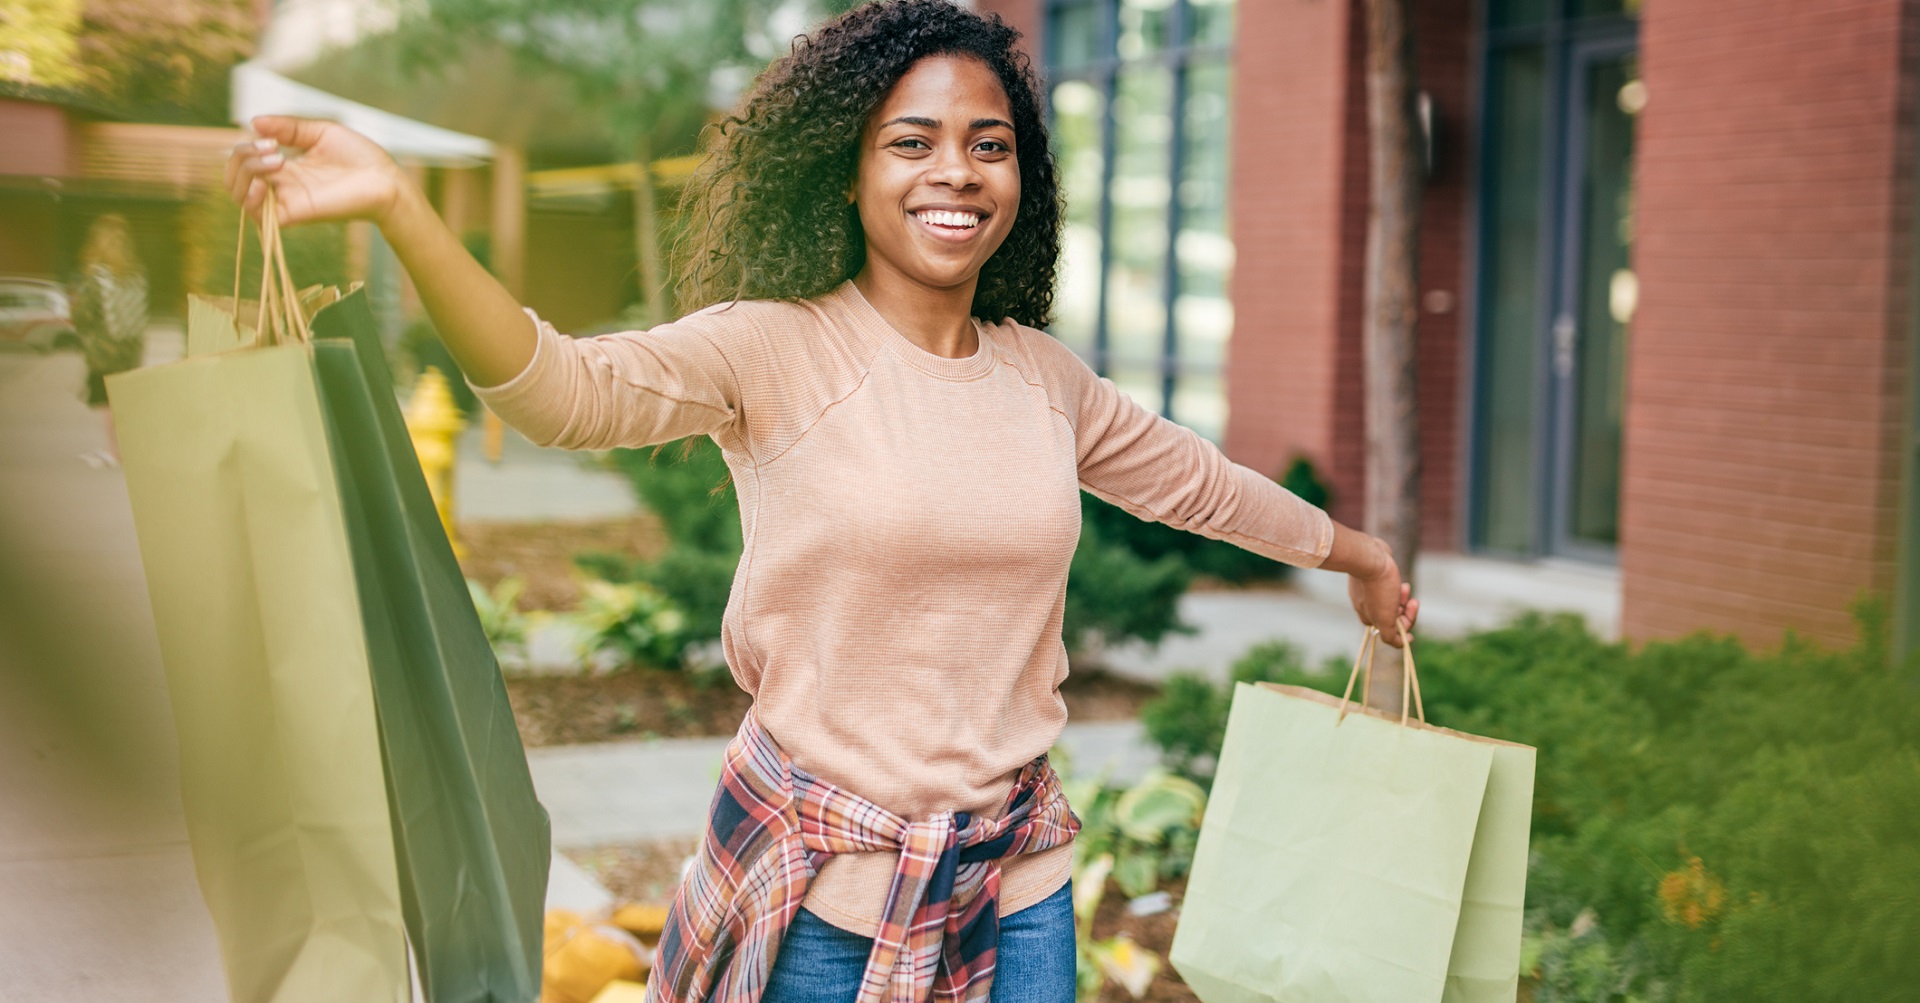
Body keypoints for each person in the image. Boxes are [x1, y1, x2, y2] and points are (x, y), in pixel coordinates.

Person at [224, 2, 1420, 1002]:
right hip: (820, 901)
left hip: (1024, 895)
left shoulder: (1044, 378)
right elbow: (560, 390)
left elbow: (1195, 483)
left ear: (1021, 179)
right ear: (845, 175)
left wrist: (1355, 554)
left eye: (988, 144)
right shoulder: (774, 350)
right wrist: (401, 209)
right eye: (912, 141)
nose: (955, 169)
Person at [70, 213, 148, 467]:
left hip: (103, 352)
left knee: (107, 403)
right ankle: (123, 450)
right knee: (122, 401)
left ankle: (114, 453)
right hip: (131, 349)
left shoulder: (97, 279)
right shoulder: (137, 274)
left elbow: (83, 316)